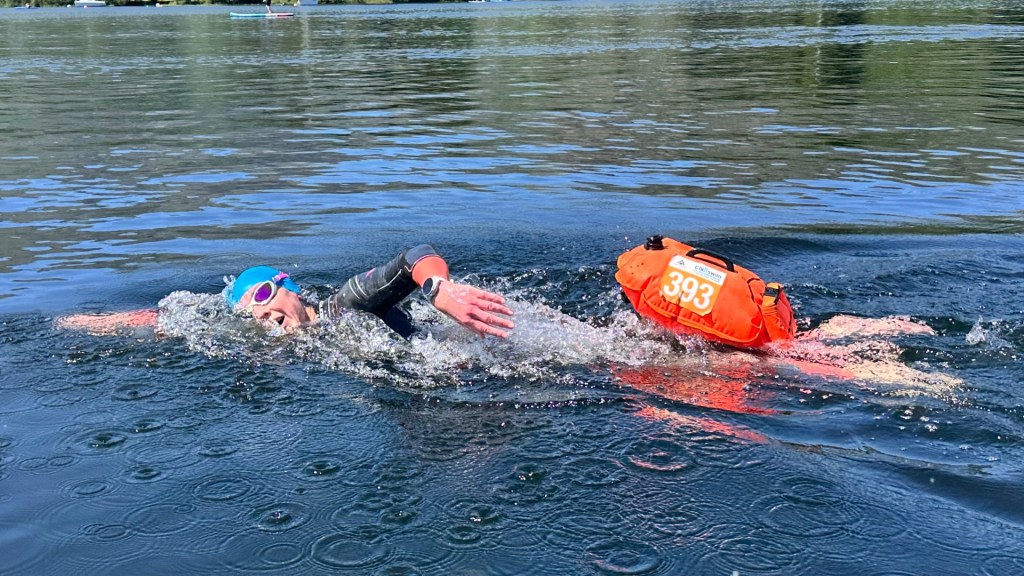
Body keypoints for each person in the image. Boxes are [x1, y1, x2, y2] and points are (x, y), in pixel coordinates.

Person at [57, 244, 515, 339]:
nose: (259, 314)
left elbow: (416, 255)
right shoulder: (290, 344)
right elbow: (179, 319)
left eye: (261, 297)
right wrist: (95, 322)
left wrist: (439, 290)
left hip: (493, 344)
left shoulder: (342, 307)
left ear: (289, 288)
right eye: (247, 310)